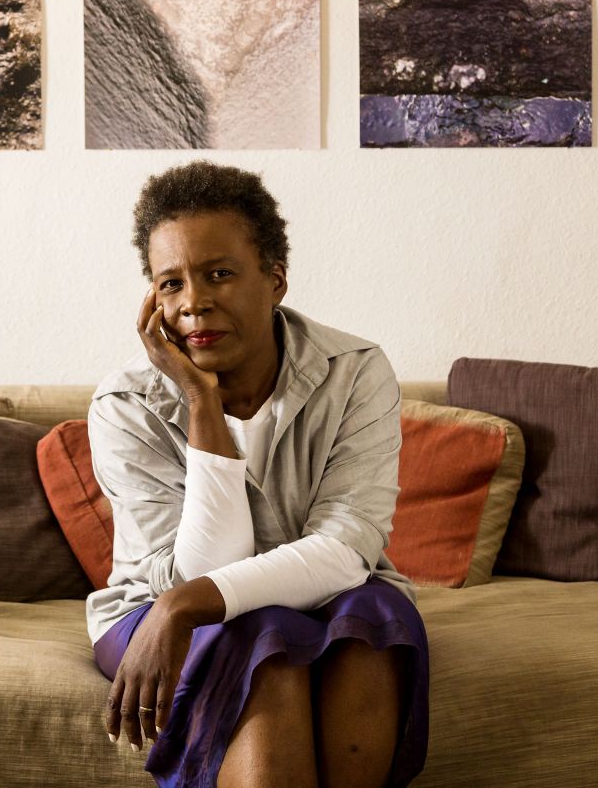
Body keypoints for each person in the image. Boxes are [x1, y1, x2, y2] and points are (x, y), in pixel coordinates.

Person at [87, 160, 428, 788]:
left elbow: (348, 546)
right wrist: (199, 401)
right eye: (170, 284)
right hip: (147, 608)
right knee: (266, 637)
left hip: (295, 594)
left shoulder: (353, 371)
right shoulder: (126, 406)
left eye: (218, 273)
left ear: (275, 280)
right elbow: (196, 567)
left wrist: (183, 606)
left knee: (376, 617)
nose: (193, 303)